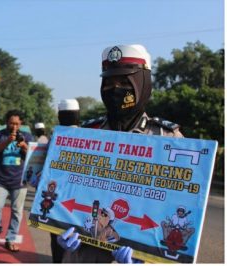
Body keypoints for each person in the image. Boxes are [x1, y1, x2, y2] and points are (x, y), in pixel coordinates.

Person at [57, 44, 184, 263]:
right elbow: (64, 187)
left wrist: (149, 253)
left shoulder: (167, 138)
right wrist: (59, 222)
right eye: (109, 83)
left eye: (125, 82)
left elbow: (180, 205)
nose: (115, 89)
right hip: (85, 252)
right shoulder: (87, 133)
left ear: (143, 83)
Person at [0, 109, 34, 252]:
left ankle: (11, 238)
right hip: (0, 179)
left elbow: (32, 156)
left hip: (19, 180)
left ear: (21, 123)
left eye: (16, 124)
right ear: (6, 123)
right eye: (11, 123)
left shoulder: (26, 136)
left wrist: (24, 146)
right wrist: (8, 140)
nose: (14, 127)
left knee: (17, 211)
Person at [49, 98, 81, 263]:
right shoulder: (89, 136)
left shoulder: (54, 137)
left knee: (58, 243)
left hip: (59, 200)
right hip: (74, 201)